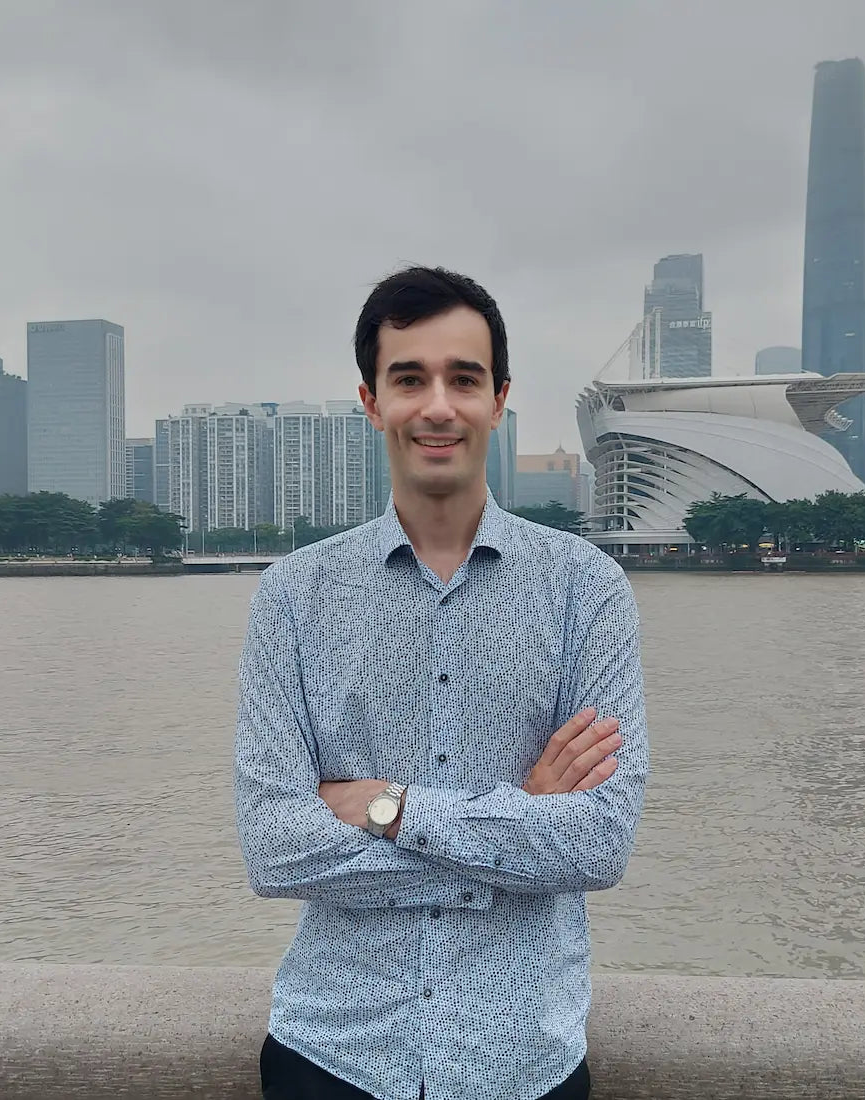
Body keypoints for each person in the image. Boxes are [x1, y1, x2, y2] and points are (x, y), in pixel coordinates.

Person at [235, 266, 649, 1100]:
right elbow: (273, 847)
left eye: (463, 379)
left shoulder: (585, 588)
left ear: (499, 399)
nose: (437, 407)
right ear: (370, 399)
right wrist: (518, 820)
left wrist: (390, 807)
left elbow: (601, 840)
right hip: (332, 1054)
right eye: (409, 378)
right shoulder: (292, 596)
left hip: (522, 1059)